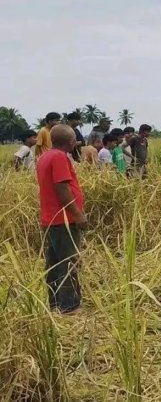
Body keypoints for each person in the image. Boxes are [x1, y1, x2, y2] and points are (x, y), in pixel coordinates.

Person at [36, 124, 86, 314]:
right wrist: (78, 215)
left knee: (54, 263)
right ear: (70, 141)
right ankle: (69, 306)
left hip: (51, 219)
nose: (76, 141)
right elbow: (62, 189)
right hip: (63, 219)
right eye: (74, 138)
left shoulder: (45, 156)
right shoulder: (59, 157)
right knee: (68, 262)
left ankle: (55, 303)